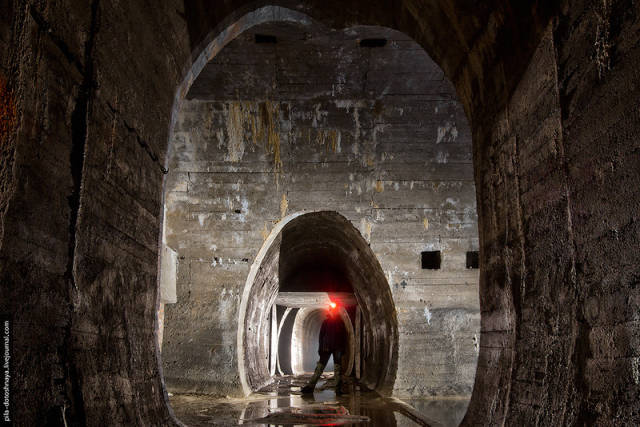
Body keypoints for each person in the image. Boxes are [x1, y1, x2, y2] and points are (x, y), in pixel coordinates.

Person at [301, 301, 348, 395]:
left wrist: (343, 348)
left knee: (337, 369)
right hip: (326, 348)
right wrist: (320, 348)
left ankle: (338, 389)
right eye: (332, 310)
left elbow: (344, 336)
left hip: (337, 347)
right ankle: (310, 387)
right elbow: (321, 336)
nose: (333, 312)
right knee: (320, 367)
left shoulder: (340, 322)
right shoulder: (326, 322)